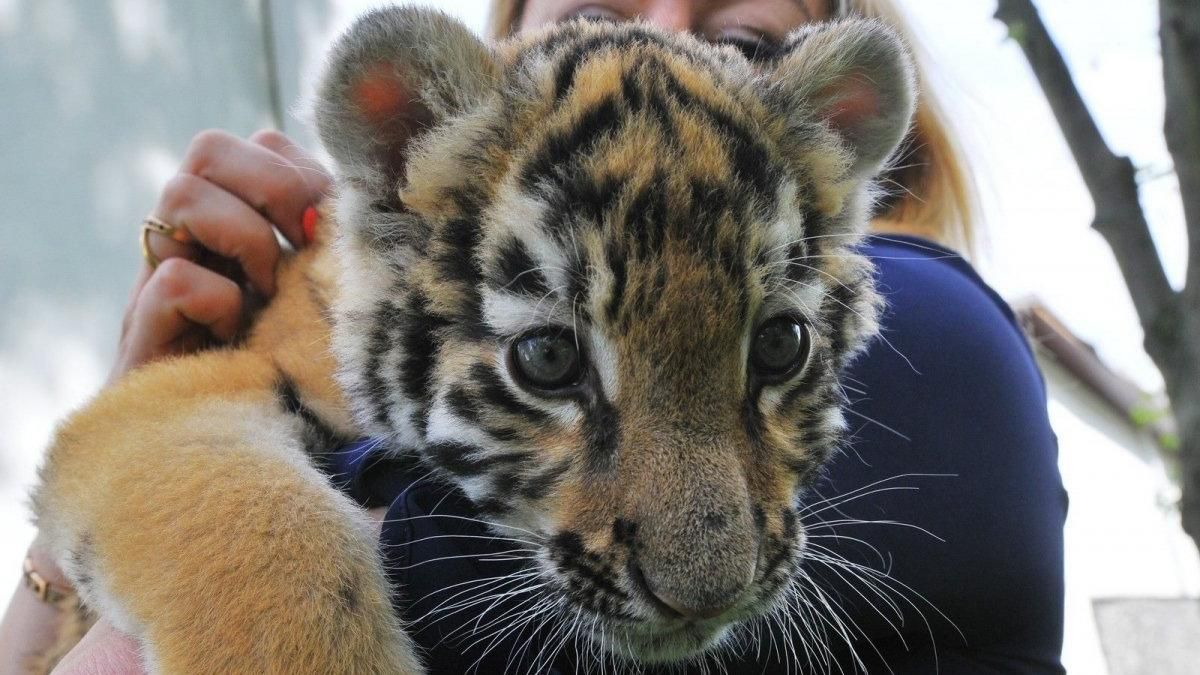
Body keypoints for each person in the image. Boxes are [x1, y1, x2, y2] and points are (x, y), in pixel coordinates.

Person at [0, 0, 1067, 672]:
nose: (707, 562)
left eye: (742, 44)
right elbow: (159, 473)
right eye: (599, 14)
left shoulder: (943, 335)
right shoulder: (382, 295)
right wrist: (80, 541)